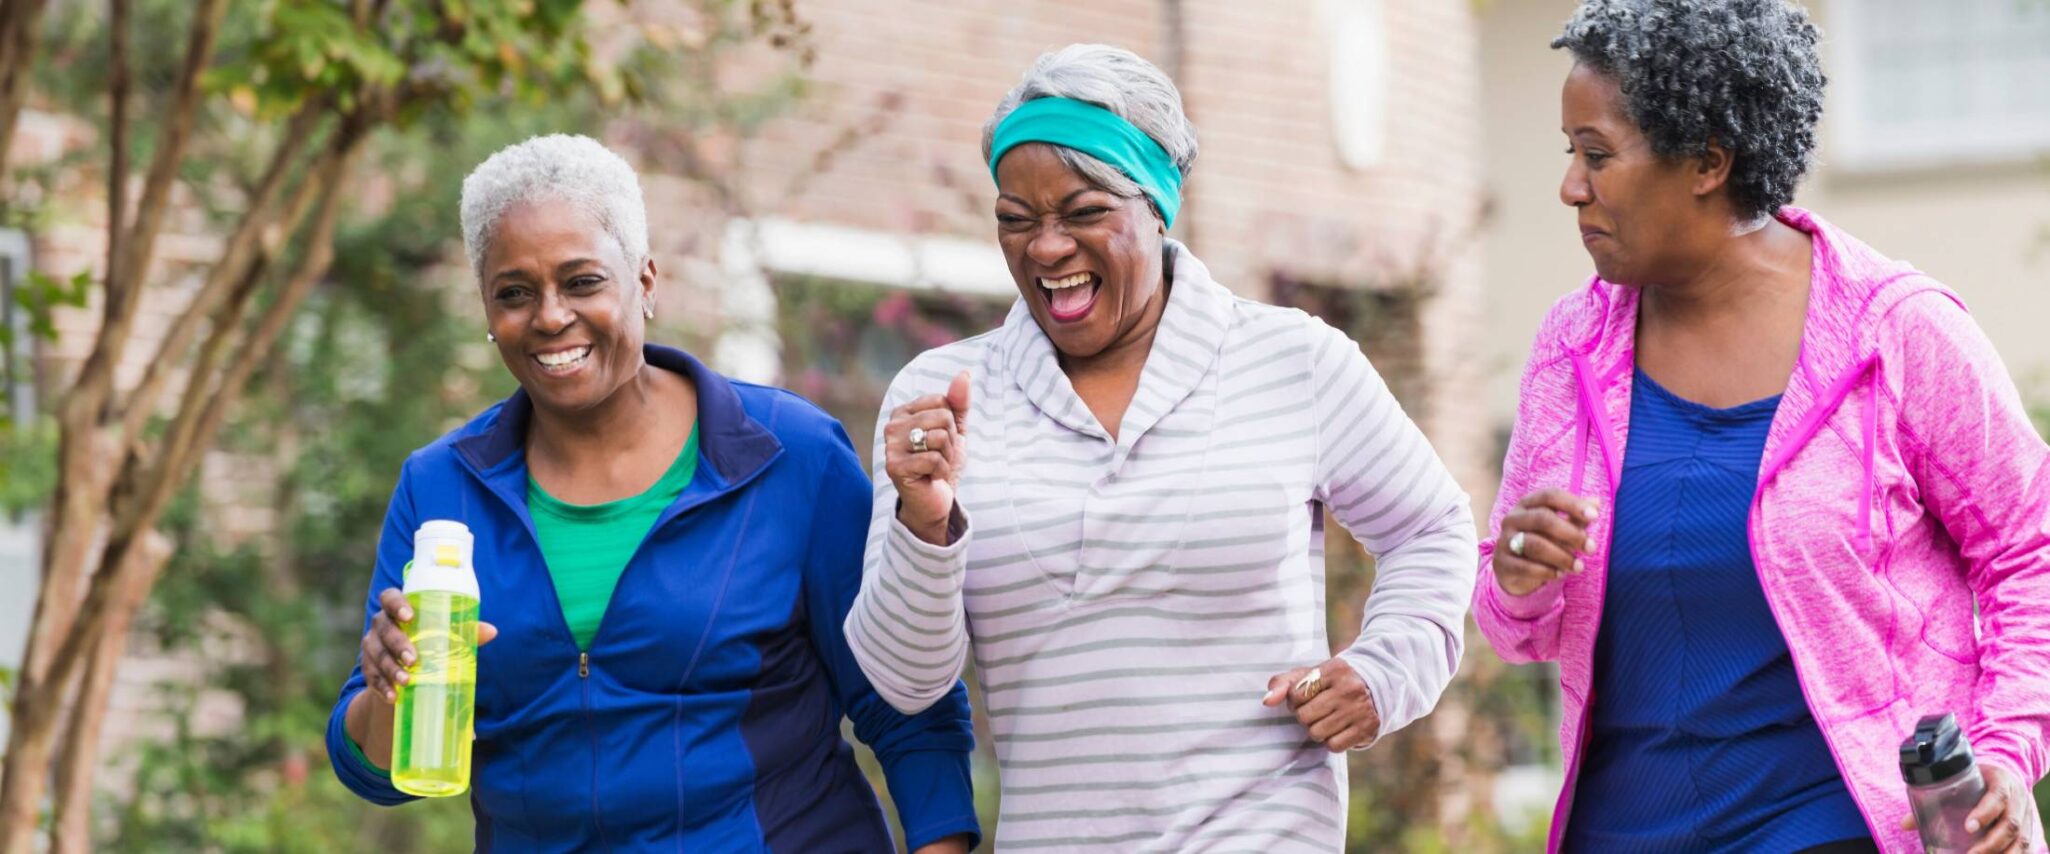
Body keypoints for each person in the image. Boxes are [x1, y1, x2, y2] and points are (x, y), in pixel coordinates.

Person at [842, 44, 1479, 851]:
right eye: (1016, 219)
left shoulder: (1293, 361)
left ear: (1157, 205)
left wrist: (1386, 671)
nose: (1044, 248)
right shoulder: (940, 397)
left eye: (1083, 213)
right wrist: (924, 524)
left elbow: (1432, 529)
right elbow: (904, 684)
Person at [1473, 2, 2050, 852]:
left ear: (1707, 161)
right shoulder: (1573, 346)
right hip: (1623, 831)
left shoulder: (1895, 334)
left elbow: (2029, 551)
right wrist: (1520, 577)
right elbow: (1514, 627)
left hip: (1845, 826)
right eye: (1572, 156)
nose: (1571, 187)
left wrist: (2004, 751)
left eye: (1598, 156)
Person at [325, 134, 979, 853]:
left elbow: (905, 700)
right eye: (514, 293)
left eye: (581, 282)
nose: (548, 317)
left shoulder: (790, 457)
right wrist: (386, 693)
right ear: (487, 310)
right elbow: (376, 770)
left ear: (644, 281)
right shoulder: (441, 489)